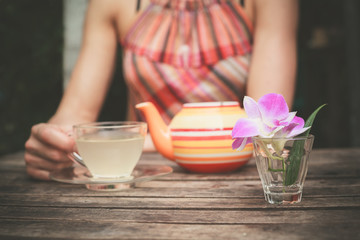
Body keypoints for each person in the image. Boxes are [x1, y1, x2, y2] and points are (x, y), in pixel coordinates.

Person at [24, 0, 299, 180]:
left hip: (236, 181)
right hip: (142, 180)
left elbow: (268, 131)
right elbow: (74, 116)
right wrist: (51, 143)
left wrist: (126, 142)